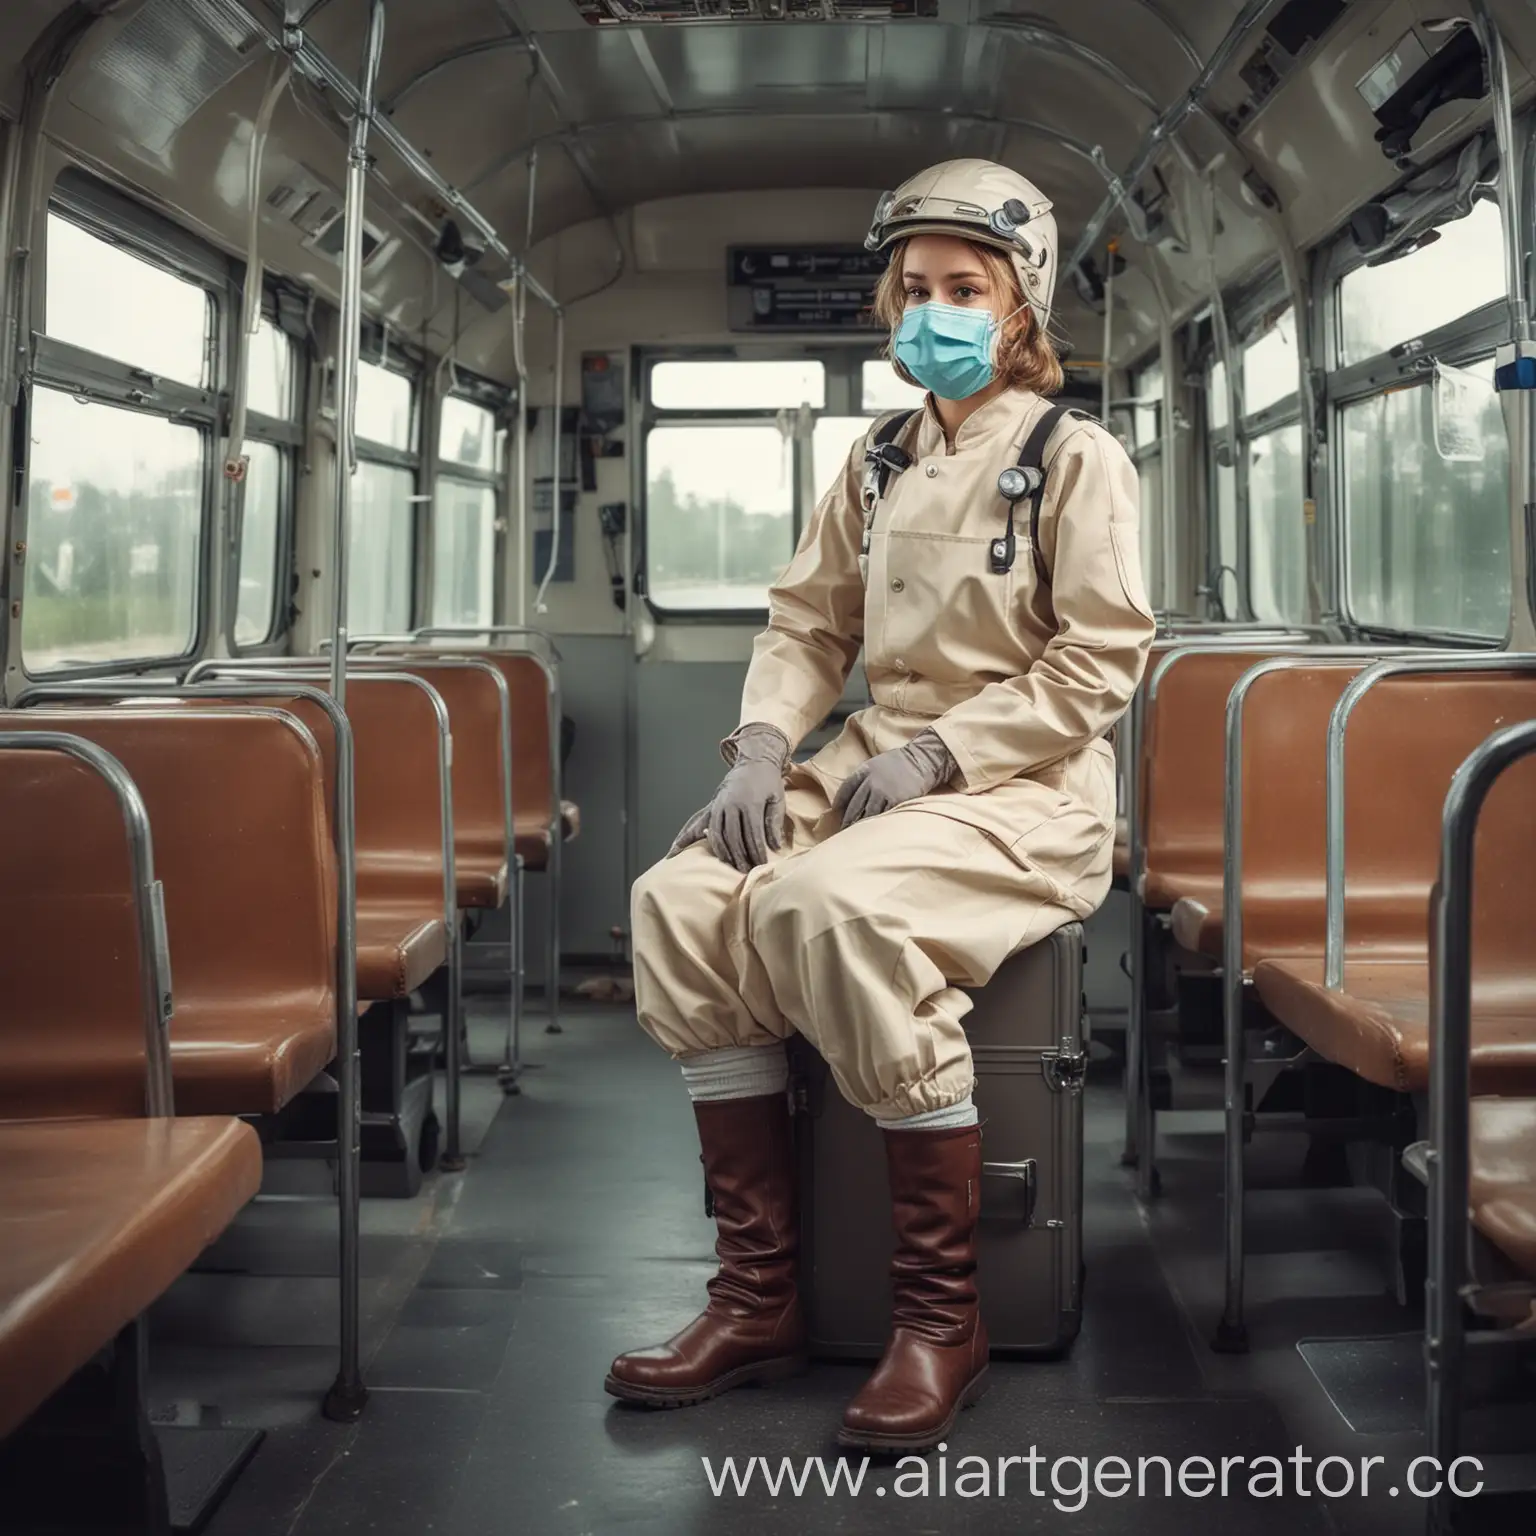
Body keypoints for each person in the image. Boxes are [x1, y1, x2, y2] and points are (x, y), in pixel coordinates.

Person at [606, 159, 1156, 1451]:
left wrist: (946, 757)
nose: (934, 309)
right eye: (914, 287)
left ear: (1019, 306)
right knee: (680, 899)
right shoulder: (878, 456)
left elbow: (1100, 660)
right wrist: (756, 750)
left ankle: (939, 1317)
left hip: (1024, 784)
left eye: (965, 287)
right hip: (872, 763)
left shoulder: (1075, 459)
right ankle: (758, 1299)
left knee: (819, 905)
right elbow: (807, 621)